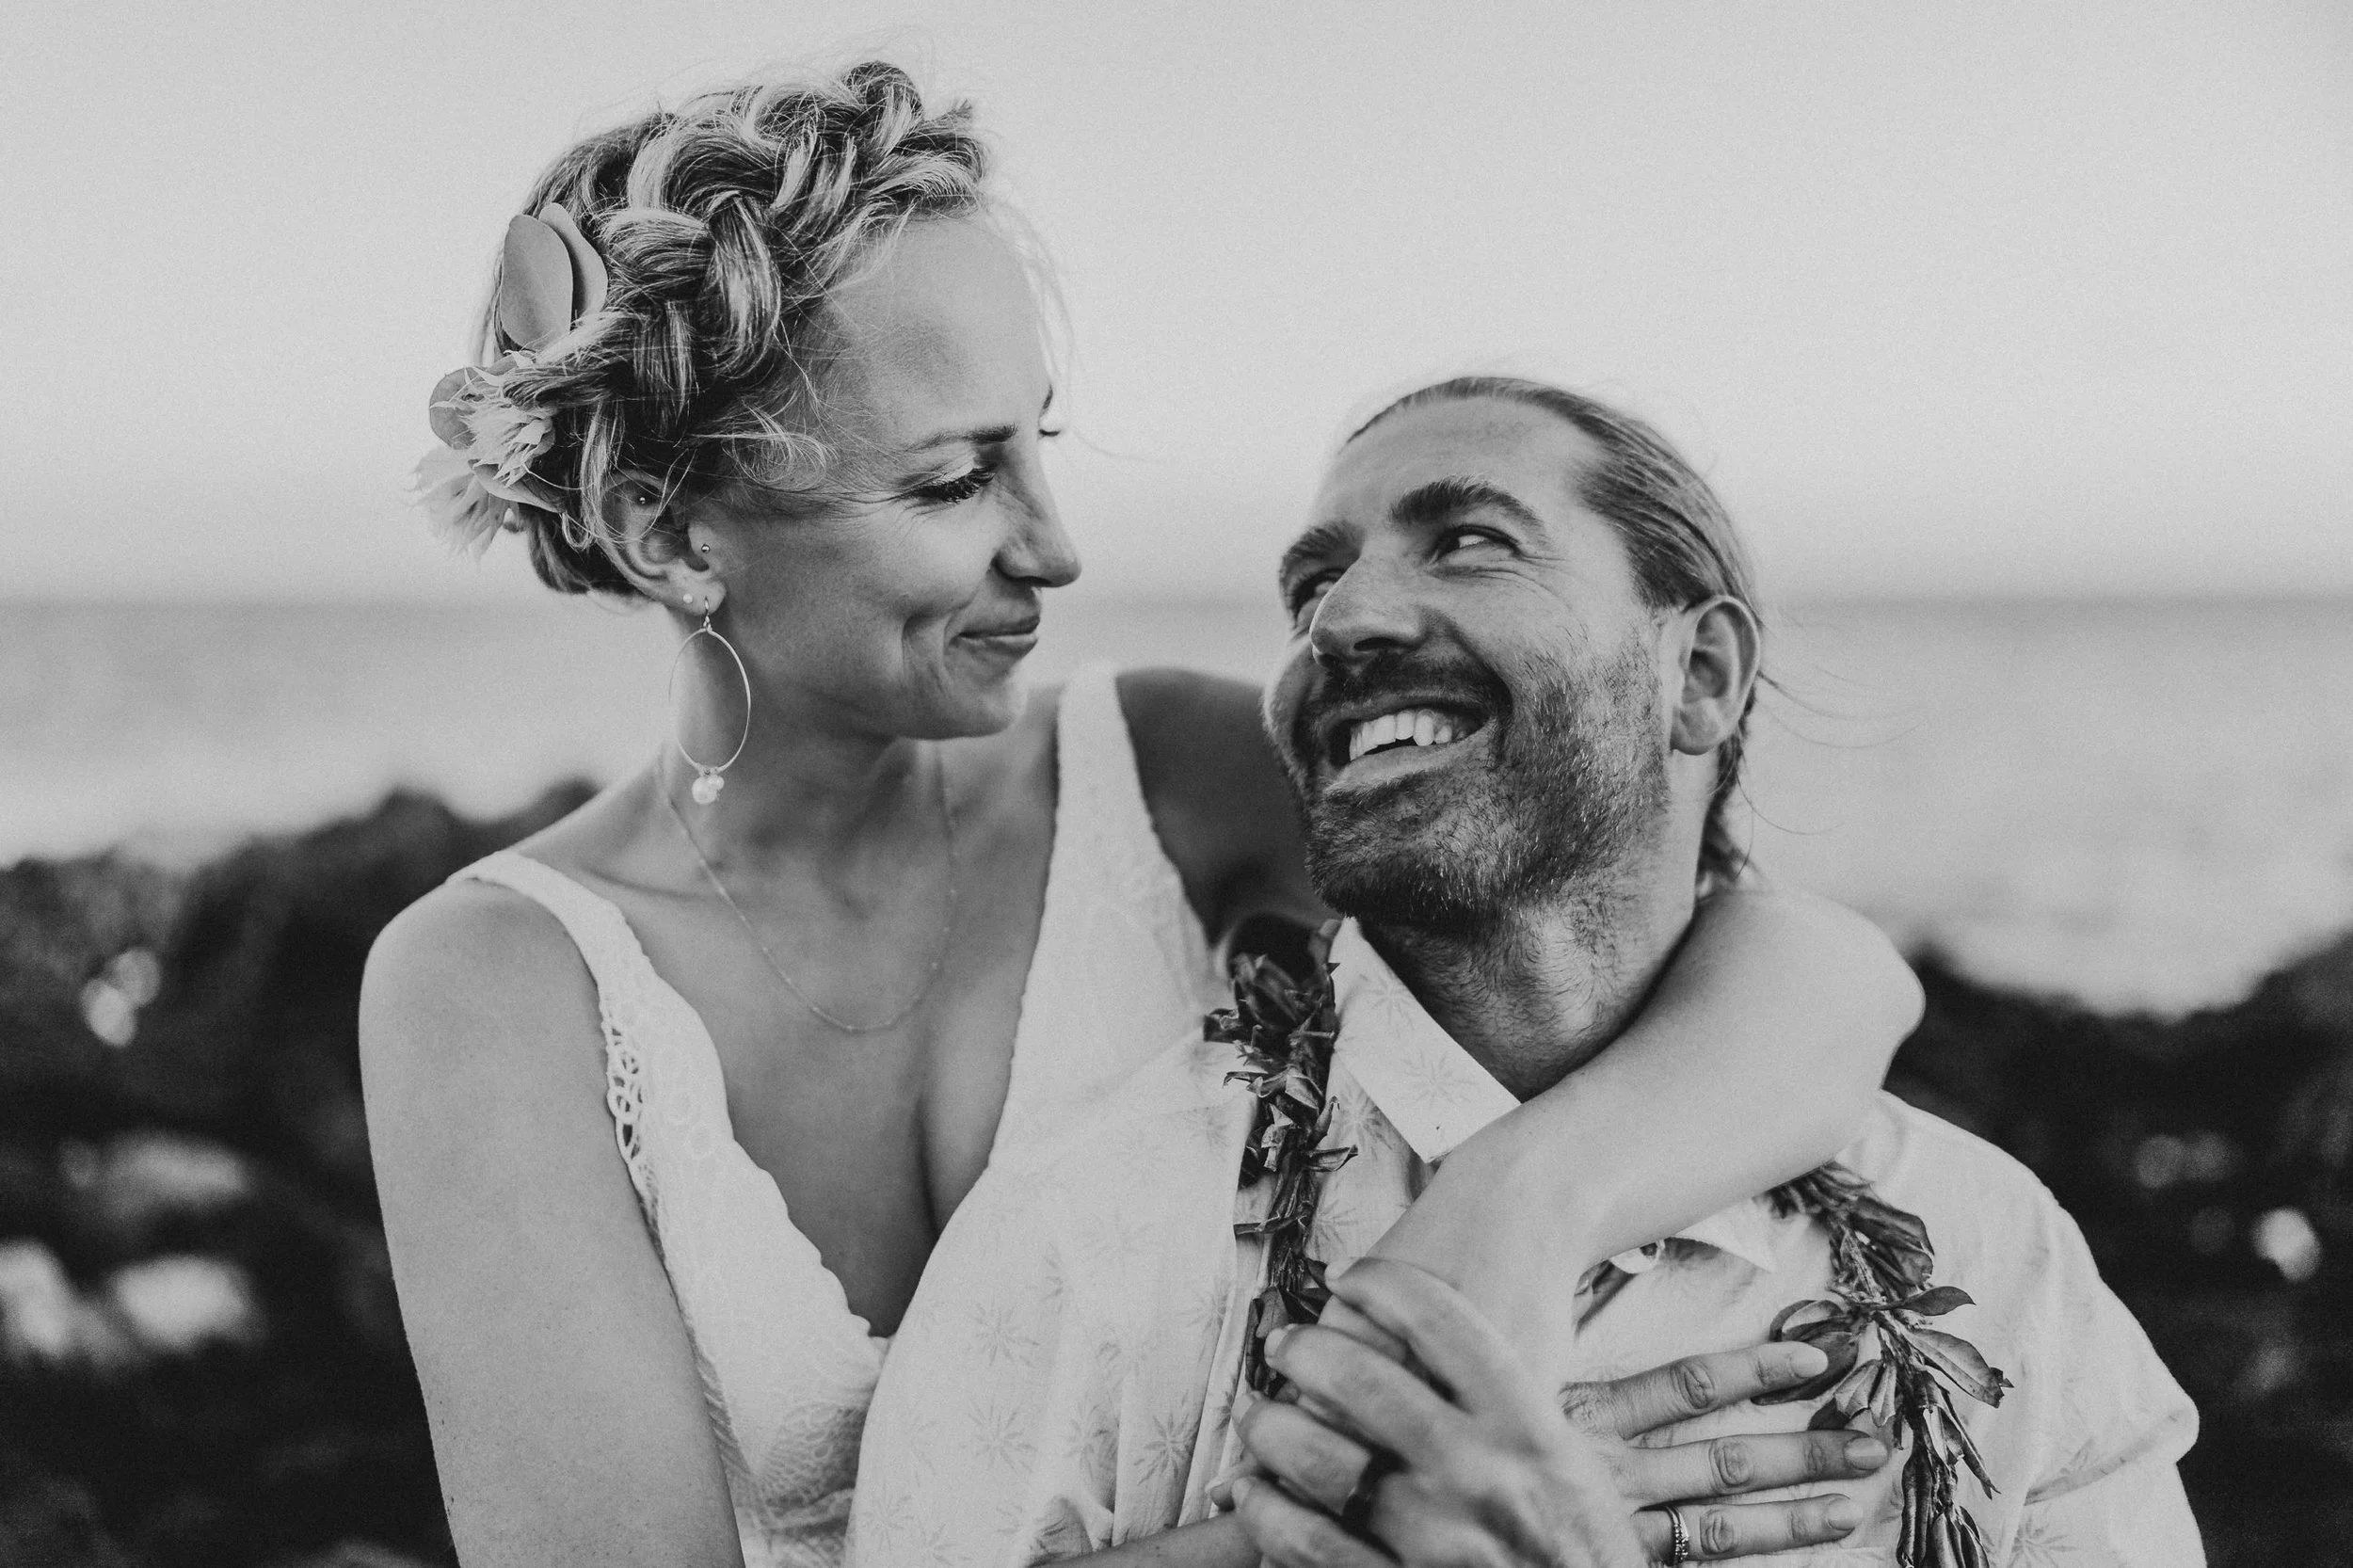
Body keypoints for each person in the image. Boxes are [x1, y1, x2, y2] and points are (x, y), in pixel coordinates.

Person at [360, 66, 1925, 1568]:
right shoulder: (498, 991)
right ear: (669, 533)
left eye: (1039, 440)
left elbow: (1818, 978)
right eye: (954, 482)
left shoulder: (1164, 775)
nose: (1054, 547)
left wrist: (1515, 1219)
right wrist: (1336, 1537)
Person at [846, 376, 2205, 1567]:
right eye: (1313, 587)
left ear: (1702, 673)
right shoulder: (1087, 1247)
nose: (1347, 617)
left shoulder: (1988, 1257)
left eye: (1472, 543)